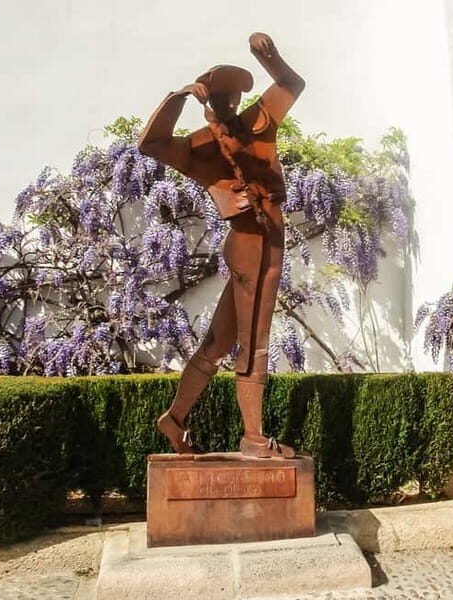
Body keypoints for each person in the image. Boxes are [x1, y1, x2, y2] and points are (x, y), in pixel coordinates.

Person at [137, 32, 305, 458]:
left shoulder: (257, 123)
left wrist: (271, 59)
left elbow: (291, 85)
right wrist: (177, 97)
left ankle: (173, 420)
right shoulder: (200, 145)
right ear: (208, 99)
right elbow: (150, 143)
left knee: (217, 343)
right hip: (250, 242)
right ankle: (252, 437)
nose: (229, 103)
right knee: (256, 338)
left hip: (272, 236)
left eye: (233, 96)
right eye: (220, 96)